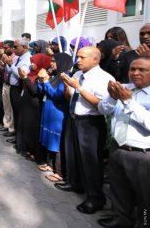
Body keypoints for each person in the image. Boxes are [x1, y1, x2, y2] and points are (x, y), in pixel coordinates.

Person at [57, 47, 115, 214]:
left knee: (91, 162)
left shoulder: (104, 78)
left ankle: (96, 199)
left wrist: (79, 88)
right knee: (73, 154)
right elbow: (70, 98)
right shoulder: (77, 75)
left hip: (91, 123)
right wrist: (68, 86)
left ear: (95, 60)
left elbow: (102, 105)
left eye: (82, 57)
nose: (78, 60)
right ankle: (75, 183)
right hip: (74, 118)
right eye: (78, 57)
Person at [97, 57, 150, 228]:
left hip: (142, 154)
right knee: (119, 190)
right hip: (118, 147)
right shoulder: (124, 88)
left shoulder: (128, 95)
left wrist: (128, 101)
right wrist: (112, 98)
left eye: (142, 70)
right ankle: (121, 220)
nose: (135, 73)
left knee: (145, 197)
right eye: (132, 69)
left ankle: (144, 222)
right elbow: (103, 109)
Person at [37, 53, 73, 182]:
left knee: (56, 141)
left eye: (54, 61)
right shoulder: (55, 75)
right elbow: (44, 91)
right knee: (49, 138)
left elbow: (57, 95)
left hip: (58, 113)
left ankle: (59, 171)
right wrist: (42, 80)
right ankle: (50, 164)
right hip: (49, 110)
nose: (51, 63)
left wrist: (46, 81)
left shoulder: (66, 77)